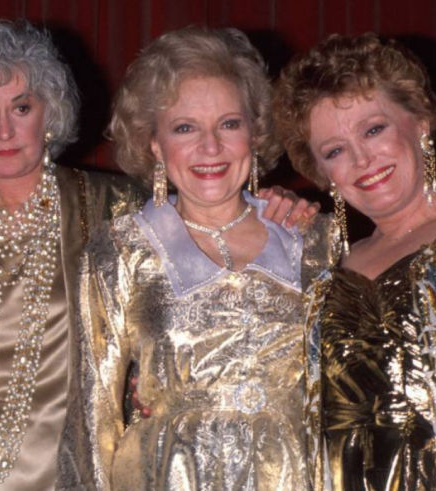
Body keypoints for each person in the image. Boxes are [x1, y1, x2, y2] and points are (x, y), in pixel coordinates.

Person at [0, 20, 313, 491]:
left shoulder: (118, 209)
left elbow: (216, 217)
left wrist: (273, 206)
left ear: (49, 112)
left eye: (22, 107)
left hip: (69, 474)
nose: (4, 130)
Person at [57, 27, 337, 490]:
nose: (210, 147)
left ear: (255, 133)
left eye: (229, 124)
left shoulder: (316, 238)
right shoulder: (121, 248)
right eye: (185, 128)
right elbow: (92, 410)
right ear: (154, 143)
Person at [273, 33, 436, 490]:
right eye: (335, 151)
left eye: (373, 130)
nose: (361, 159)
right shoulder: (326, 276)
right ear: (323, 173)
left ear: (420, 122)